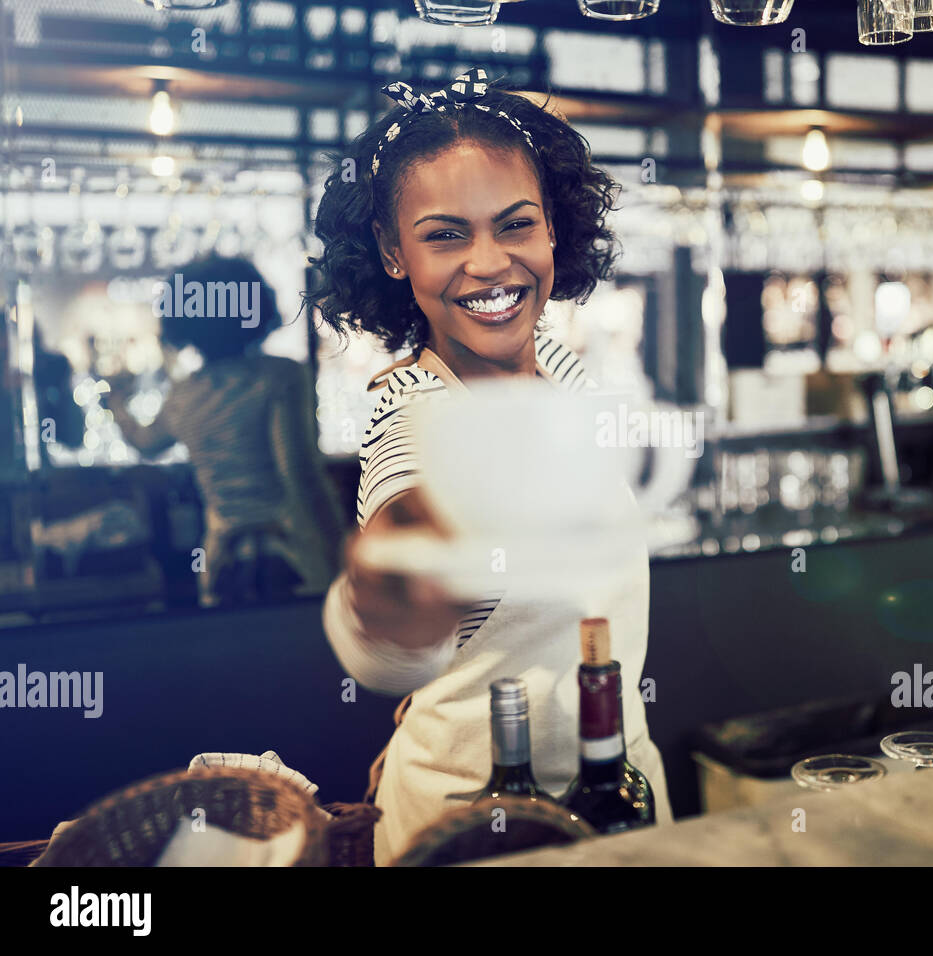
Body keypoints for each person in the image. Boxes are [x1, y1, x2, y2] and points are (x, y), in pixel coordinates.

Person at [308, 68, 672, 865]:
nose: (489, 263)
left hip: (622, 791)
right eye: (445, 235)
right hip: (479, 829)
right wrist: (391, 599)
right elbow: (392, 615)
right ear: (392, 252)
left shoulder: (559, 367)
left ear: (553, 232)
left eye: (515, 225)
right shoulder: (413, 411)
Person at [106, 255, 345, 606]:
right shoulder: (281, 376)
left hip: (222, 567)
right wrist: (341, 550)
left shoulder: (184, 394)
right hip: (294, 560)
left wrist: (116, 405)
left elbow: (145, 443)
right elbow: (299, 477)